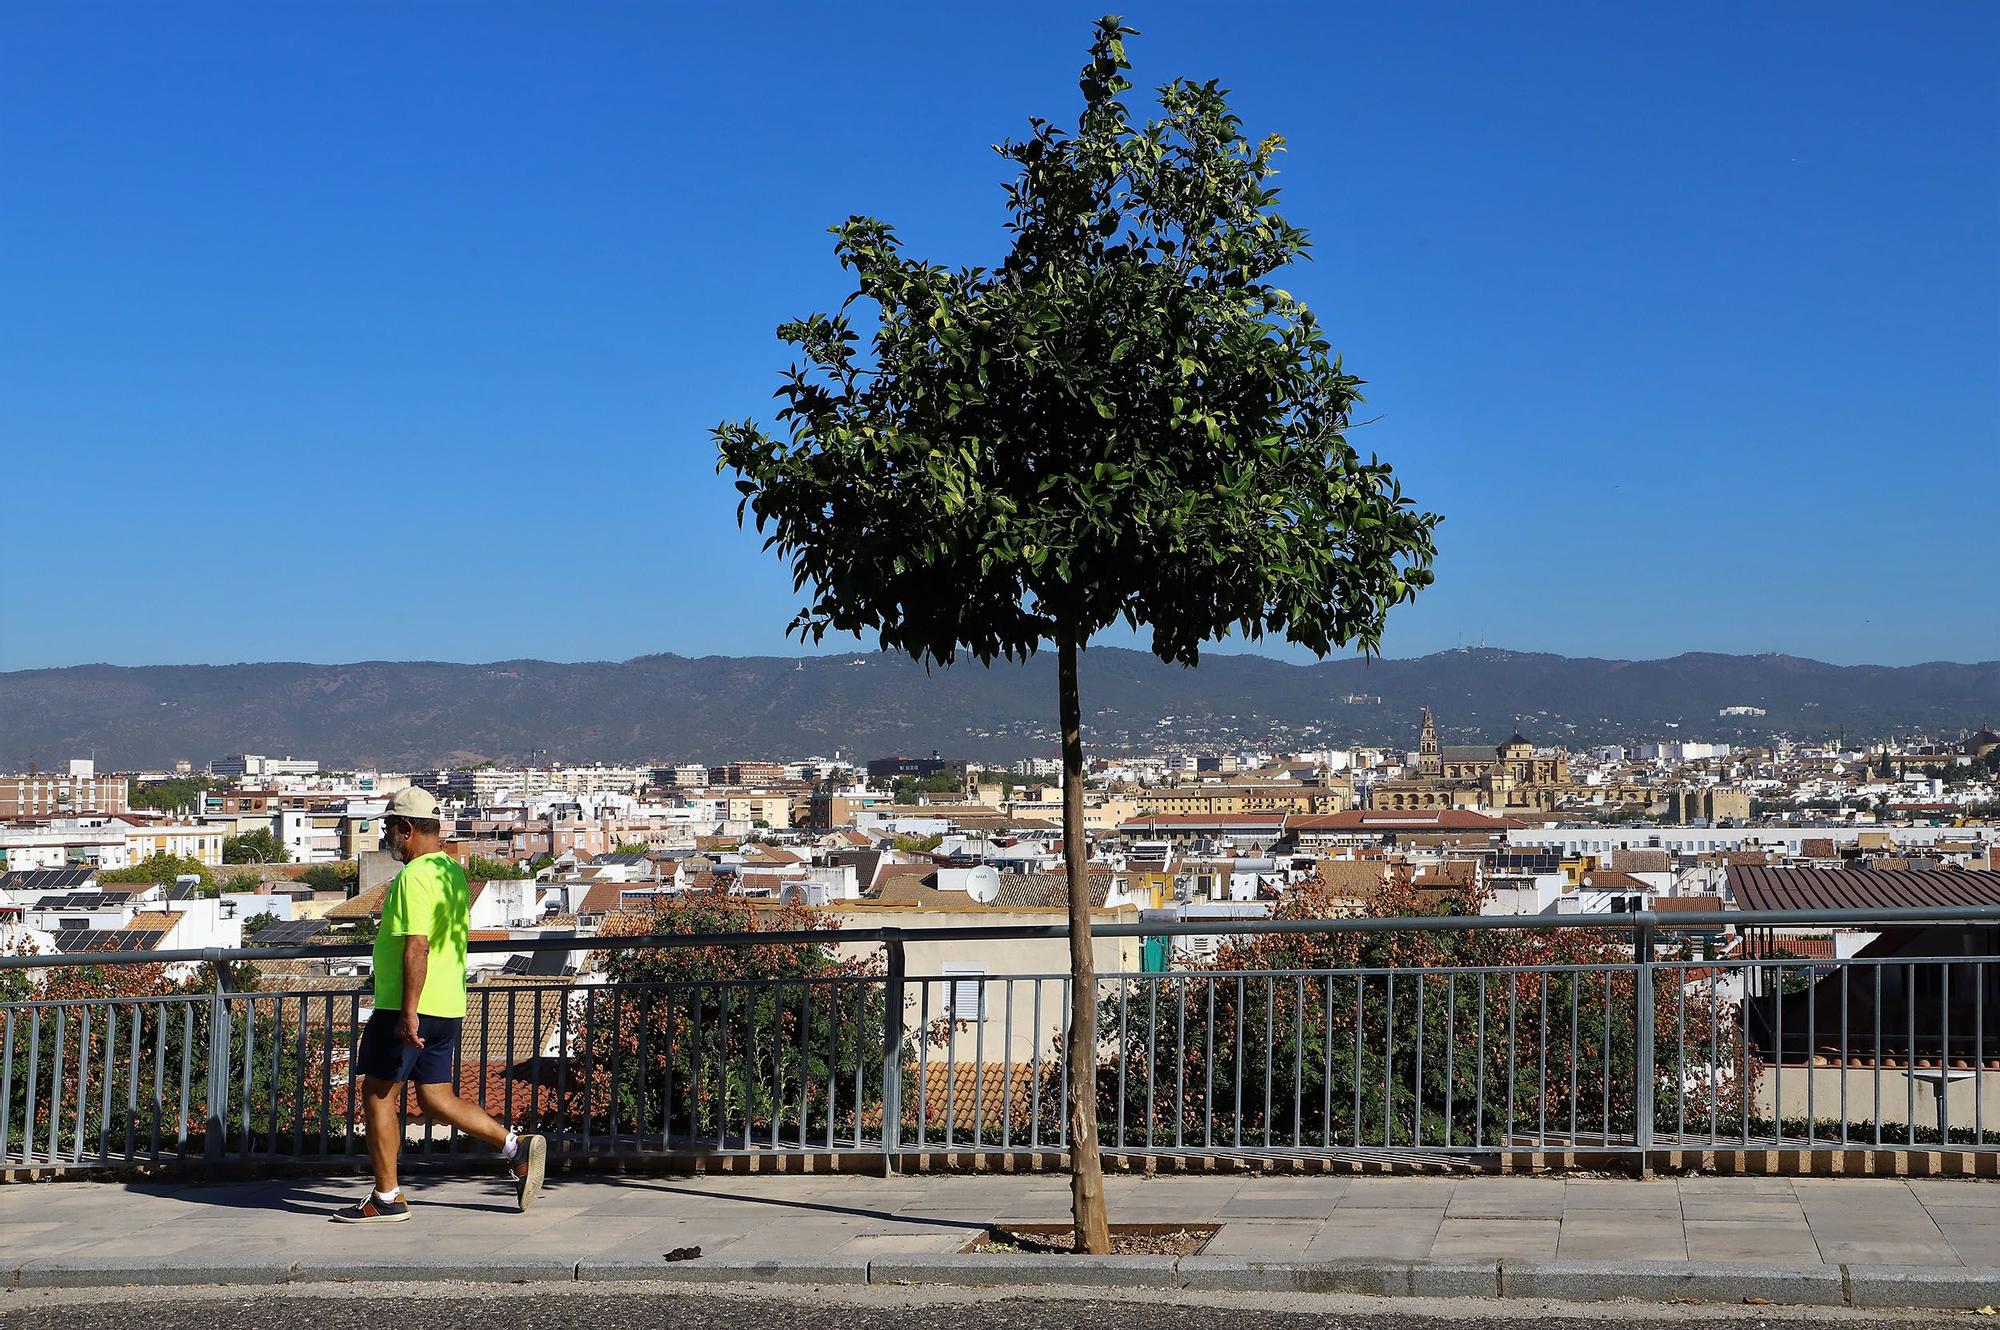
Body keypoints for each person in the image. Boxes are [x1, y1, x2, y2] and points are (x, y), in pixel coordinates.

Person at [334, 786, 546, 1222]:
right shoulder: (452, 871)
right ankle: (514, 1147)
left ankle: (387, 1197)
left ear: (407, 828)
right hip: (449, 1004)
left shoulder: (413, 876)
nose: (388, 836)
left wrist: (408, 1010)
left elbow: (417, 947)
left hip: (406, 1006)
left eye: (391, 827)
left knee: (377, 1095)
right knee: (434, 1097)